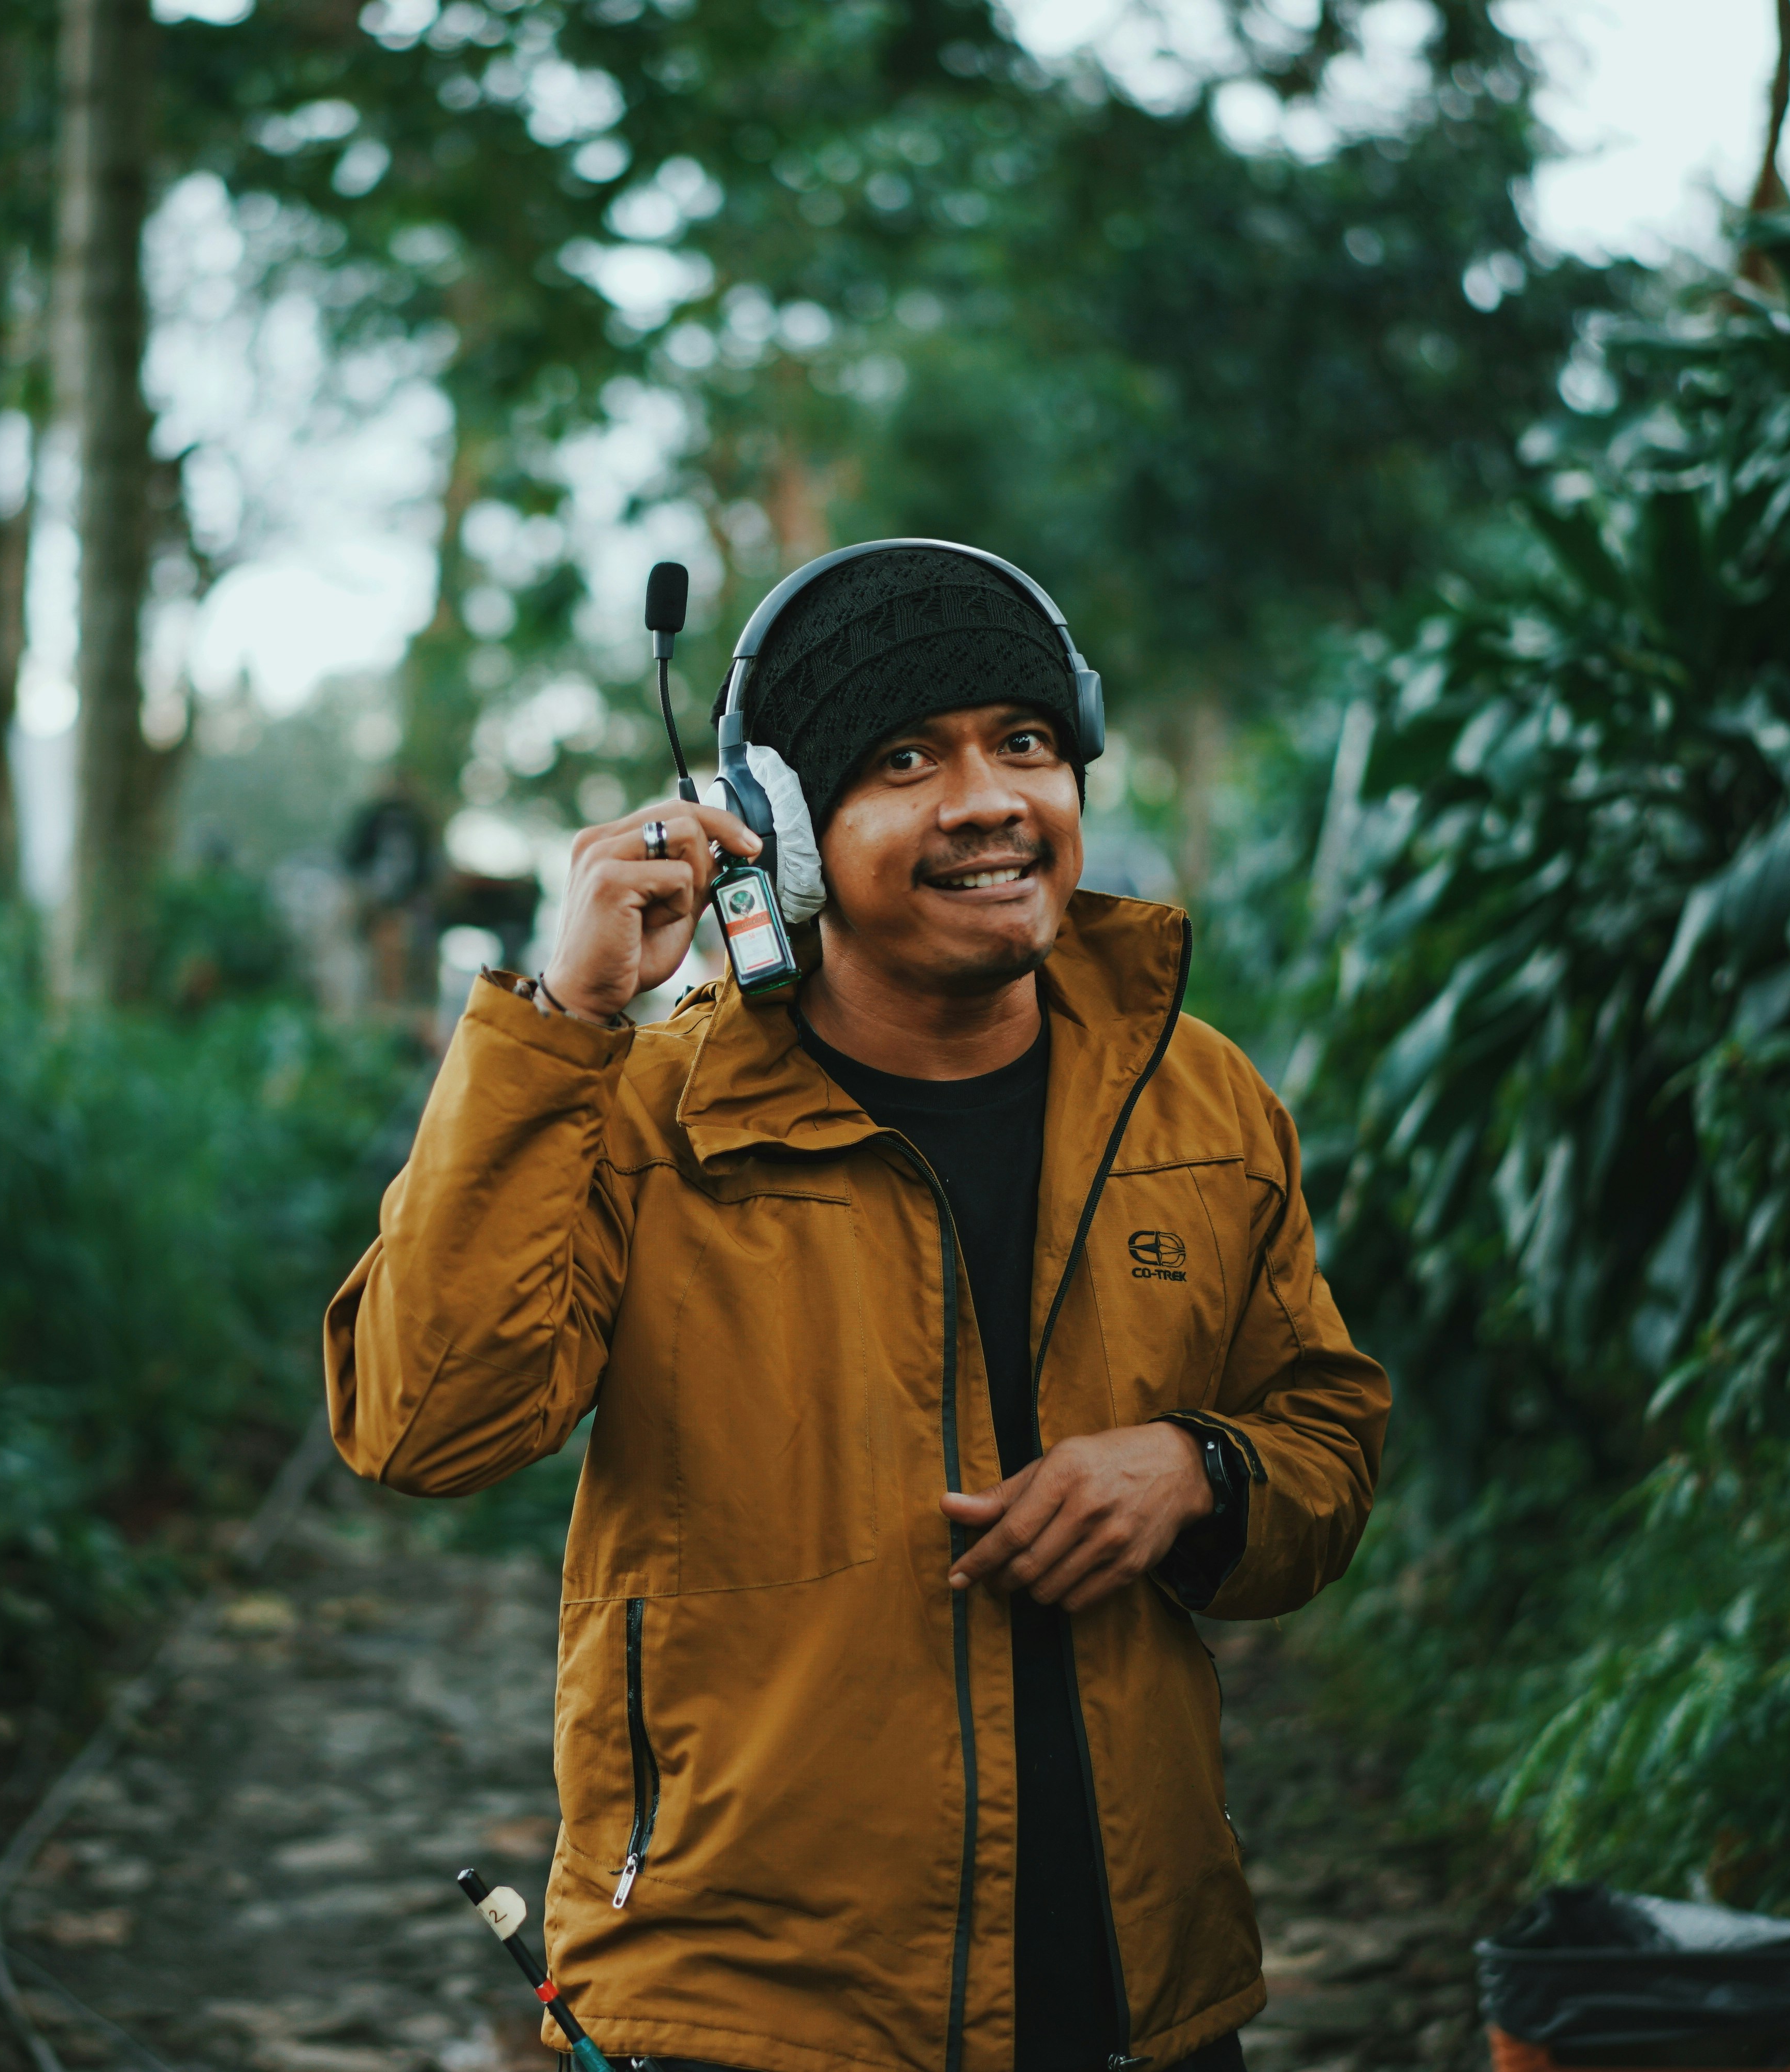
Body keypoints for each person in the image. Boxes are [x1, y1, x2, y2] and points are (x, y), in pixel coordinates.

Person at [324, 542, 1390, 2072]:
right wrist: (563, 1025)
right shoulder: (643, 1112)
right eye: (906, 760)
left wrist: (1200, 1472)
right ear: (784, 829)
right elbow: (422, 1425)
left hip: (1135, 1995)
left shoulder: (1194, 1094)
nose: (986, 801)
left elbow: (1329, 1441)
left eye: (1025, 744)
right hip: (751, 2011)